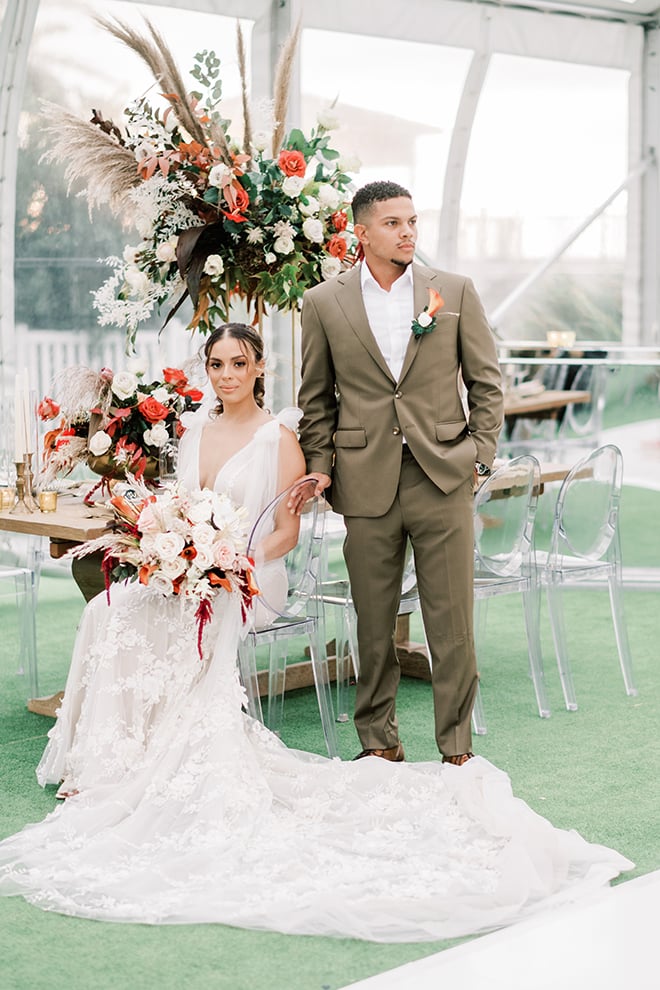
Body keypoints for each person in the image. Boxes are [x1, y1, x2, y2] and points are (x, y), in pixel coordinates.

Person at [0, 321, 632, 940]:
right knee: (108, 609)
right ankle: (115, 759)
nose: (226, 376)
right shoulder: (192, 430)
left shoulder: (279, 436)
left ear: (258, 370)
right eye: (216, 365)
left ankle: (157, 750)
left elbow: (286, 531)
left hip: (254, 576)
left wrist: (230, 563)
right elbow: (180, 502)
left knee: (183, 619)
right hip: (193, 567)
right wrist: (175, 550)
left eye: (238, 365)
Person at [296, 179, 504, 765]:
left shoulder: (455, 291)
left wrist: (479, 456)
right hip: (365, 482)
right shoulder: (323, 302)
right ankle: (379, 743)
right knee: (372, 622)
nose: (408, 231)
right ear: (360, 232)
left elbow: (486, 383)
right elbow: (317, 398)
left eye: (412, 221)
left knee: (451, 621)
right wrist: (320, 468)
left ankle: (457, 747)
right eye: (393, 222)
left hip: (443, 475)